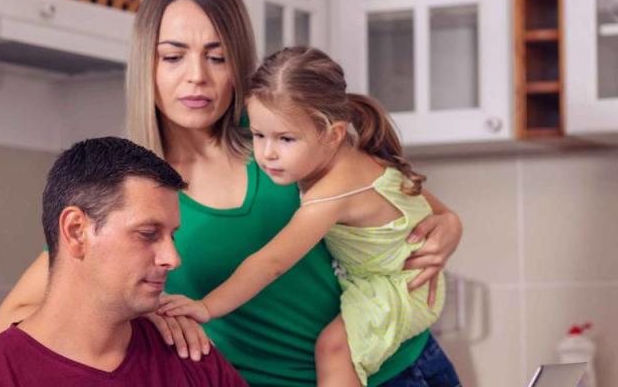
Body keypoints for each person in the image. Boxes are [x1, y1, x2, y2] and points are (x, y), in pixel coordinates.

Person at [0, 0, 464, 385]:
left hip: (401, 369)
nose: (197, 76)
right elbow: (12, 320)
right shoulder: (133, 189)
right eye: (173, 56)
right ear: (146, 65)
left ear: (239, 64)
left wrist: (449, 228)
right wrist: (147, 318)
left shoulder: (281, 136)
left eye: (217, 56)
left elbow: (412, 201)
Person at [157, 46, 456, 387]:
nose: (267, 153)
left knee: (333, 348)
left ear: (333, 134)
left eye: (285, 139)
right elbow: (435, 210)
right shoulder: (357, 158)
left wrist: (207, 307)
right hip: (396, 285)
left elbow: (272, 261)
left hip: (398, 289)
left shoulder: (332, 192)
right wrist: (453, 224)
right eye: (258, 135)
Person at [0, 137, 247, 387]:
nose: (172, 258)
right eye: (148, 233)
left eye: (172, 236)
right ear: (77, 231)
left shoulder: (190, 354)